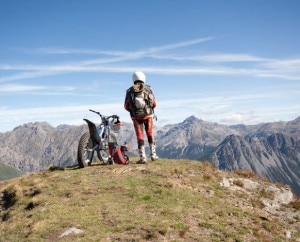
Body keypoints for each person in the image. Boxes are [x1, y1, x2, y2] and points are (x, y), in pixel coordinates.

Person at [124, 71, 159, 164]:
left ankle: (143, 158)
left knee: (140, 135)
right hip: (148, 115)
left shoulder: (129, 91)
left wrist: (133, 111)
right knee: (150, 133)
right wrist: (149, 109)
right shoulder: (148, 89)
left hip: (136, 117)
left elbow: (126, 106)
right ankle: (153, 155)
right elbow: (154, 103)